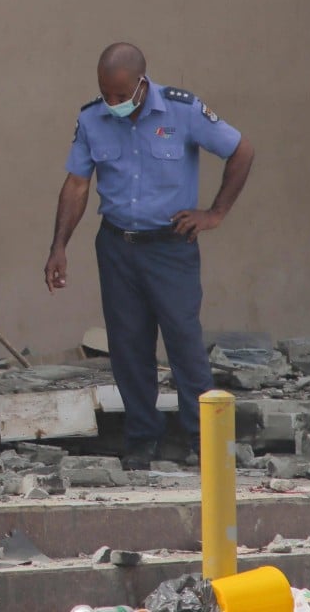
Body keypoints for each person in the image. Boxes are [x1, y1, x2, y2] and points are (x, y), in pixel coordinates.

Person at [44, 42, 255, 470]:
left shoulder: (183, 110)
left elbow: (241, 150)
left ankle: (204, 439)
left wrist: (215, 213)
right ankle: (143, 439)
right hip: (118, 247)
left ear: (143, 82)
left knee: (183, 342)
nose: (113, 103)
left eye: (121, 95)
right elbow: (77, 186)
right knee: (128, 346)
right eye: (106, 93)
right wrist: (59, 246)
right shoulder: (91, 118)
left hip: (170, 247)